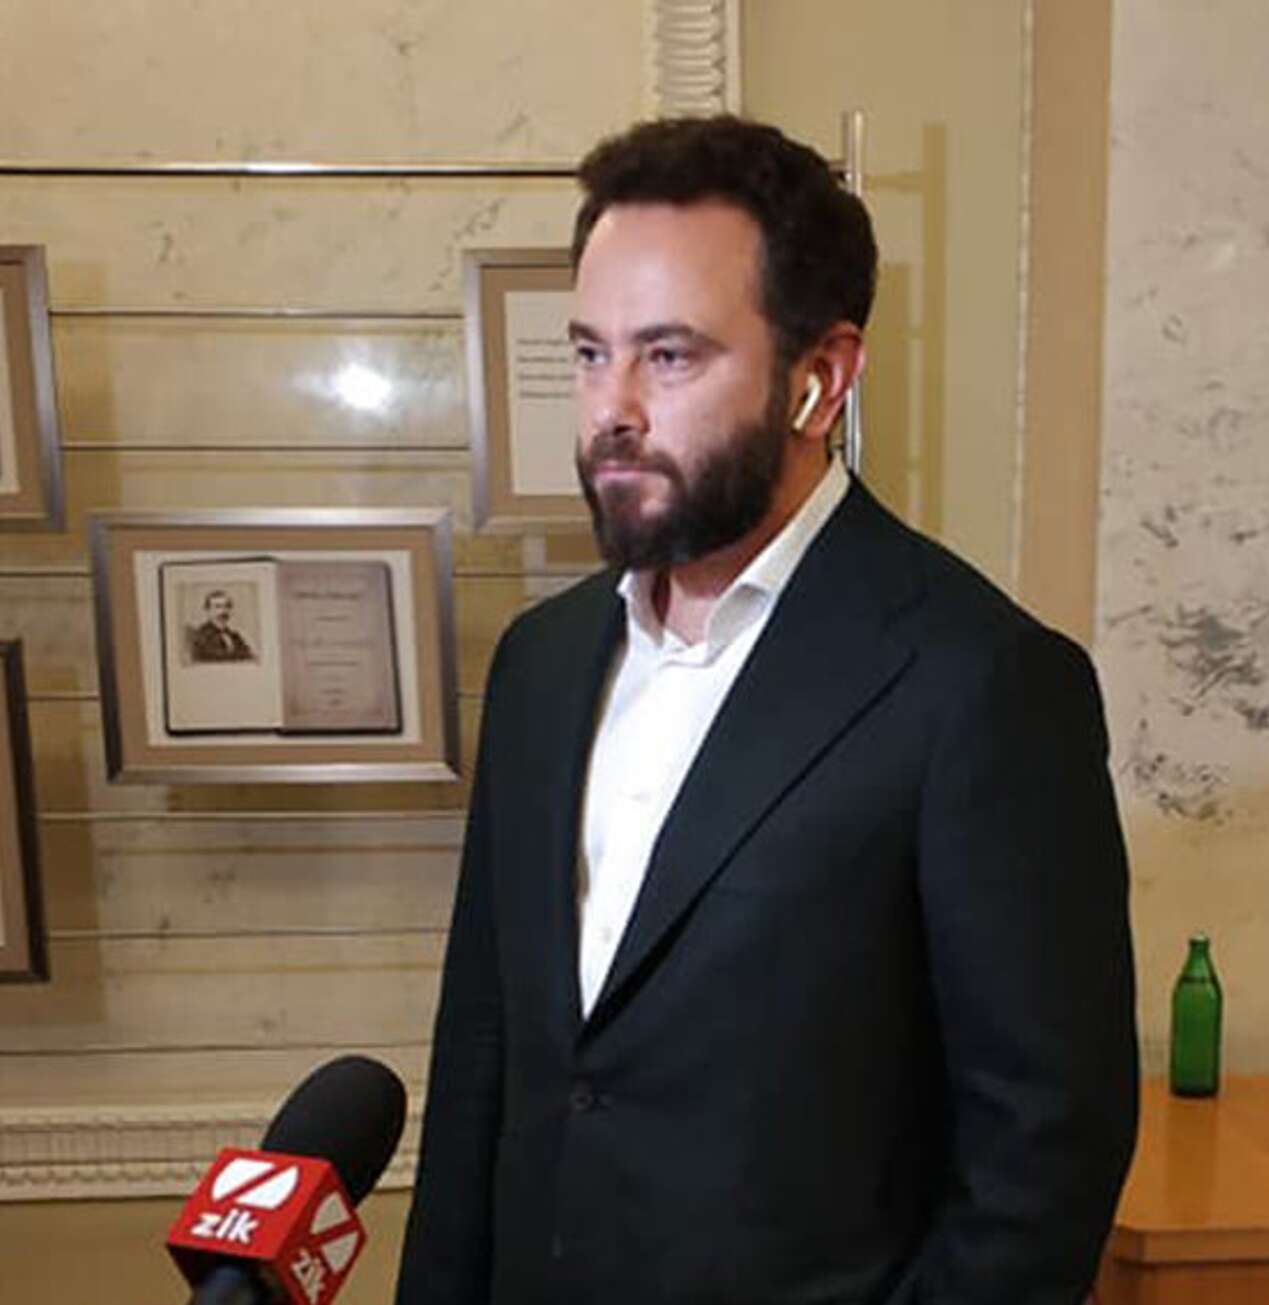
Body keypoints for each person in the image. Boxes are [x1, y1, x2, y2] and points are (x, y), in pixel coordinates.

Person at [398, 115, 1137, 1305]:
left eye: (668, 357)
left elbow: (1044, 1151)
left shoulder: (981, 684)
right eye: (588, 354)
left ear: (819, 379)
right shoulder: (539, 664)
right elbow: (482, 1055)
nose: (610, 409)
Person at [185, 589, 254, 663]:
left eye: (227, 606)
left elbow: (250, 658)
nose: (223, 611)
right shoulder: (201, 636)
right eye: (218, 607)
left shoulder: (235, 636)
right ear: (207, 610)